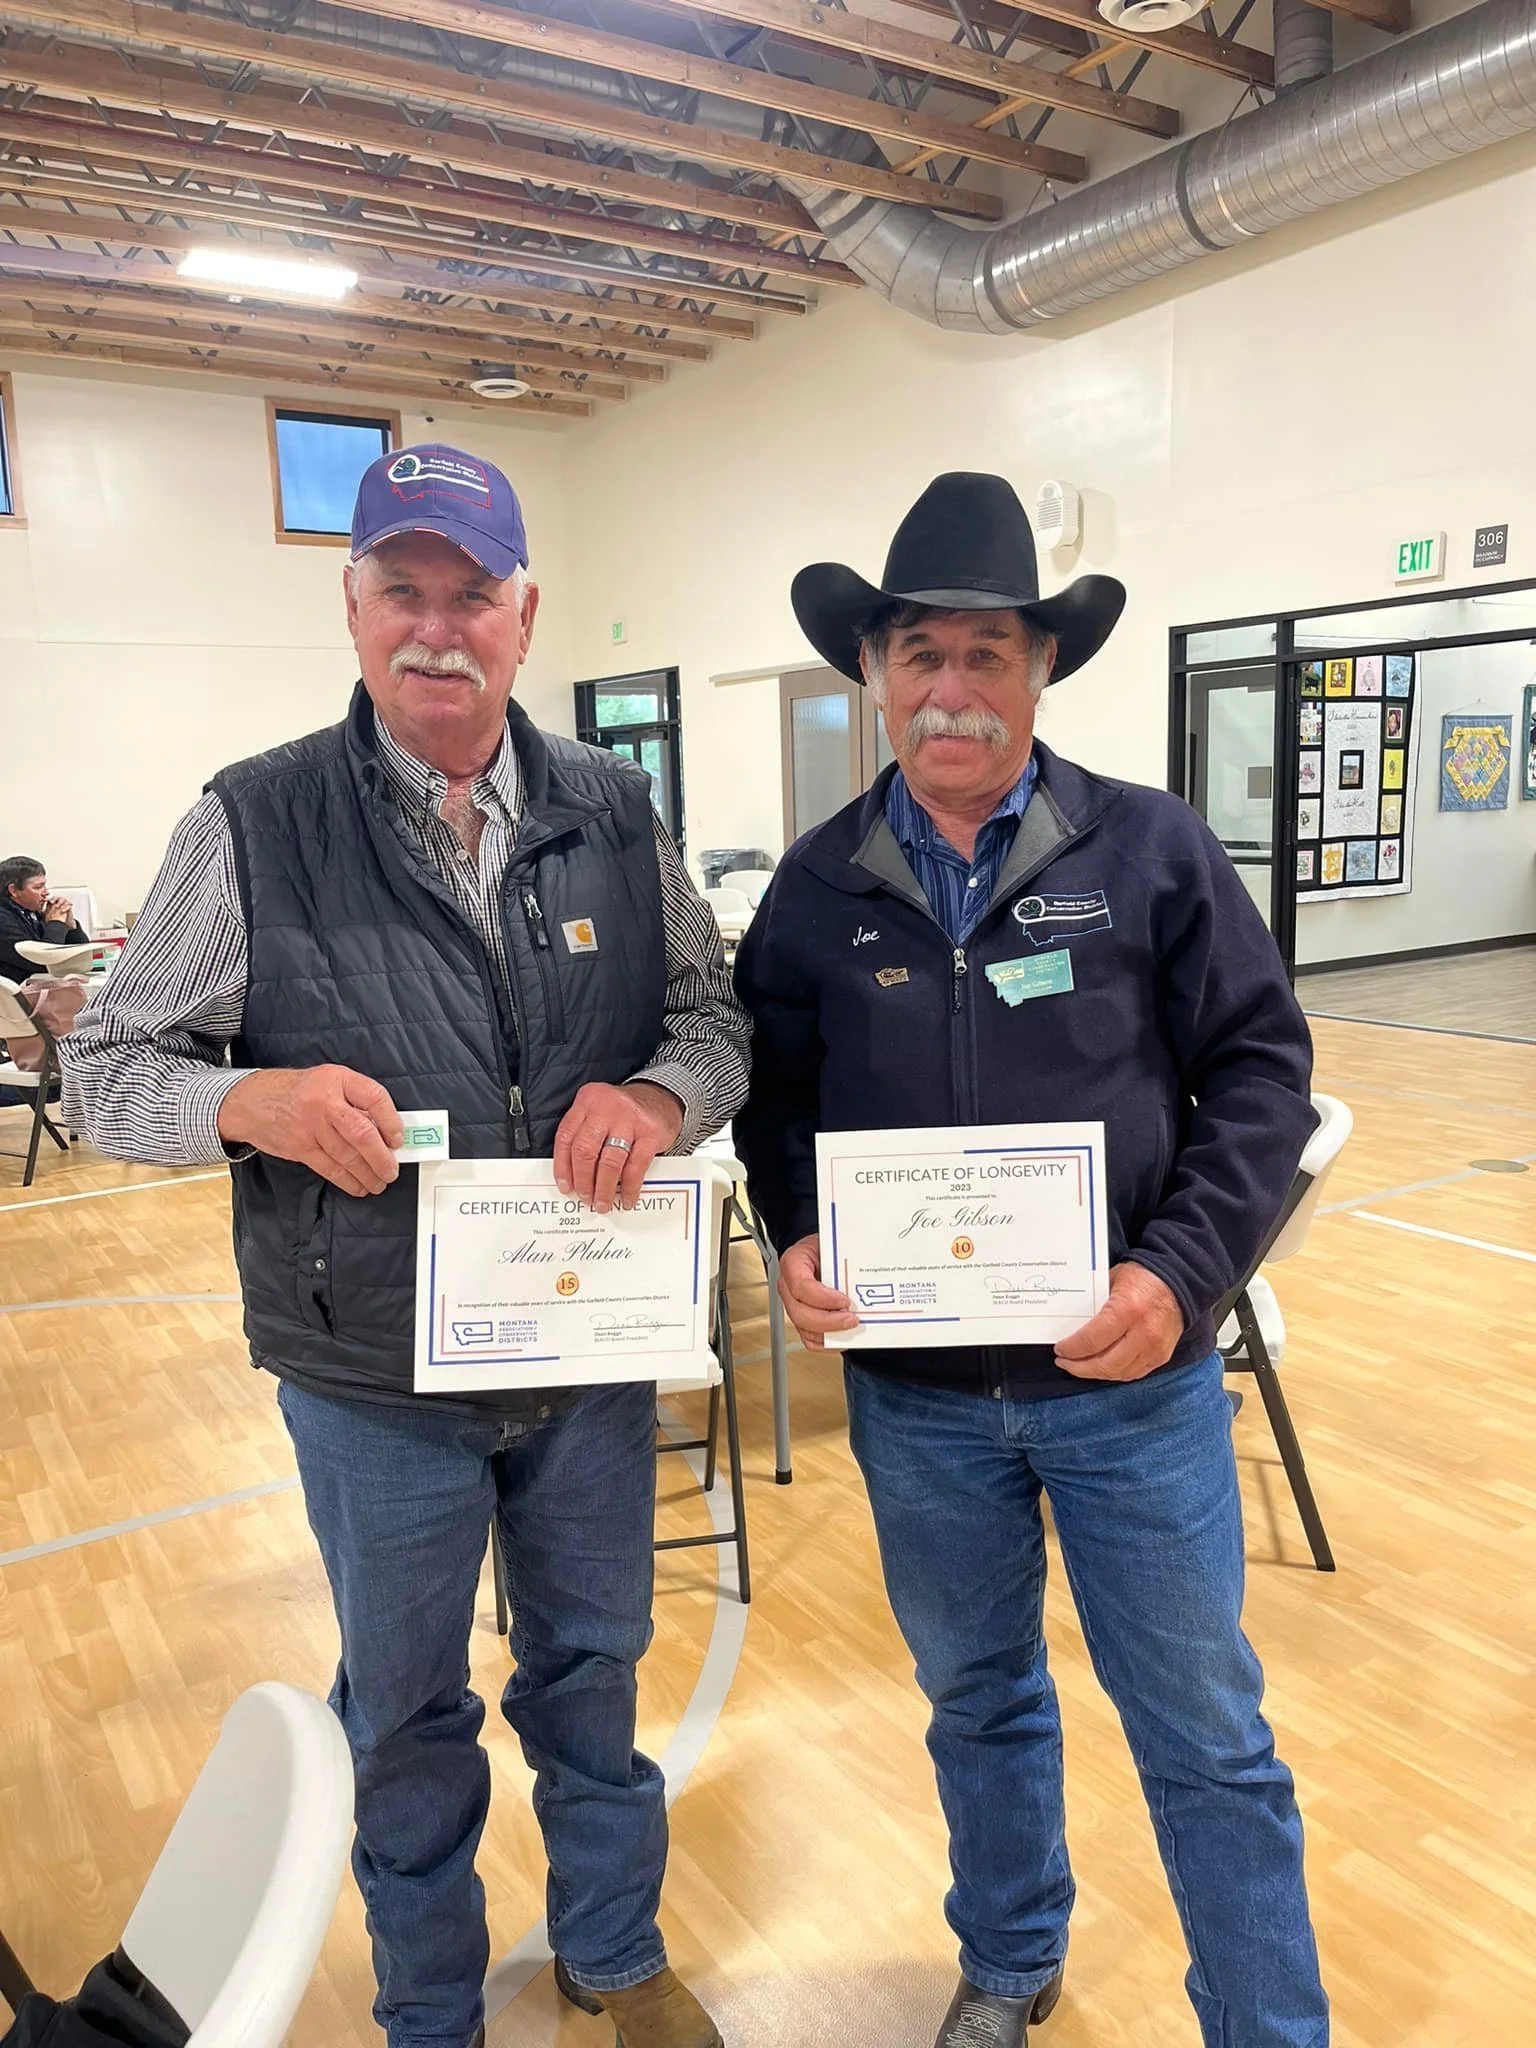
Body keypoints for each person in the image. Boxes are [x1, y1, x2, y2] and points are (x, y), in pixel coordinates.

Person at [64, 444, 747, 2048]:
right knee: (409, 1713)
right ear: (352, 606)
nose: (437, 632)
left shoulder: (613, 809)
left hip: (577, 1355)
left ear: (526, 615)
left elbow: (715, 1025)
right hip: (371, 1374)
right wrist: (255, 1102)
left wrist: (654, 1095)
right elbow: (104, 1071)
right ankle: (429, 2007)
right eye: (402, 593)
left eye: (472, 597)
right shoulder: (252, 820)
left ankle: (615, 1949)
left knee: (592, 1674)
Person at [734, 473, 1328, 2048]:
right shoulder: (815, 888)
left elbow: (1263, 1075)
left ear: (1041, 670)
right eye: (920, 654)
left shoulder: (1151, 851)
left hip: (1131, 1385)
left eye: (986, 655)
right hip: (921, 1406)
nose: (951, 691)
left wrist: (1181, 1276)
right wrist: (796, 1230)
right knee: (978, 1703)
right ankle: (1008, 1964)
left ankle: (1269, 2028)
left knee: (1205, 1734)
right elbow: (776, 1103)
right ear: (873, 672)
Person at [0, 857, 88, 985]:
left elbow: (79, 957)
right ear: (13, 890)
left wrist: (70, 926)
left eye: (44, 885)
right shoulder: (3, 920)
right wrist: (56, 924)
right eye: (38, 887)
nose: (46, 893)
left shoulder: (31, 912)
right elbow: (41, 962)